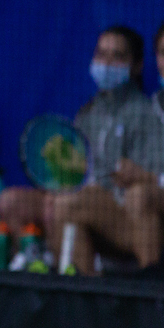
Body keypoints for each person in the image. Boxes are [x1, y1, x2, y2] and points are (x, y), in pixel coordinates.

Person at [23, 25, 164, 274]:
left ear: (137, 65)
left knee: (124, 197)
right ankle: (57, 283)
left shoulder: (144, 113)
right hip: (93, 198)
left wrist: (141, 177)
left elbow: (150, 181)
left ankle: (135, 296)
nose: (107, 64)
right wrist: (56, 189)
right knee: (14, 202)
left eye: (117, 56)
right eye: (101, 54)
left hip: (124, 209)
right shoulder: (89, 112)